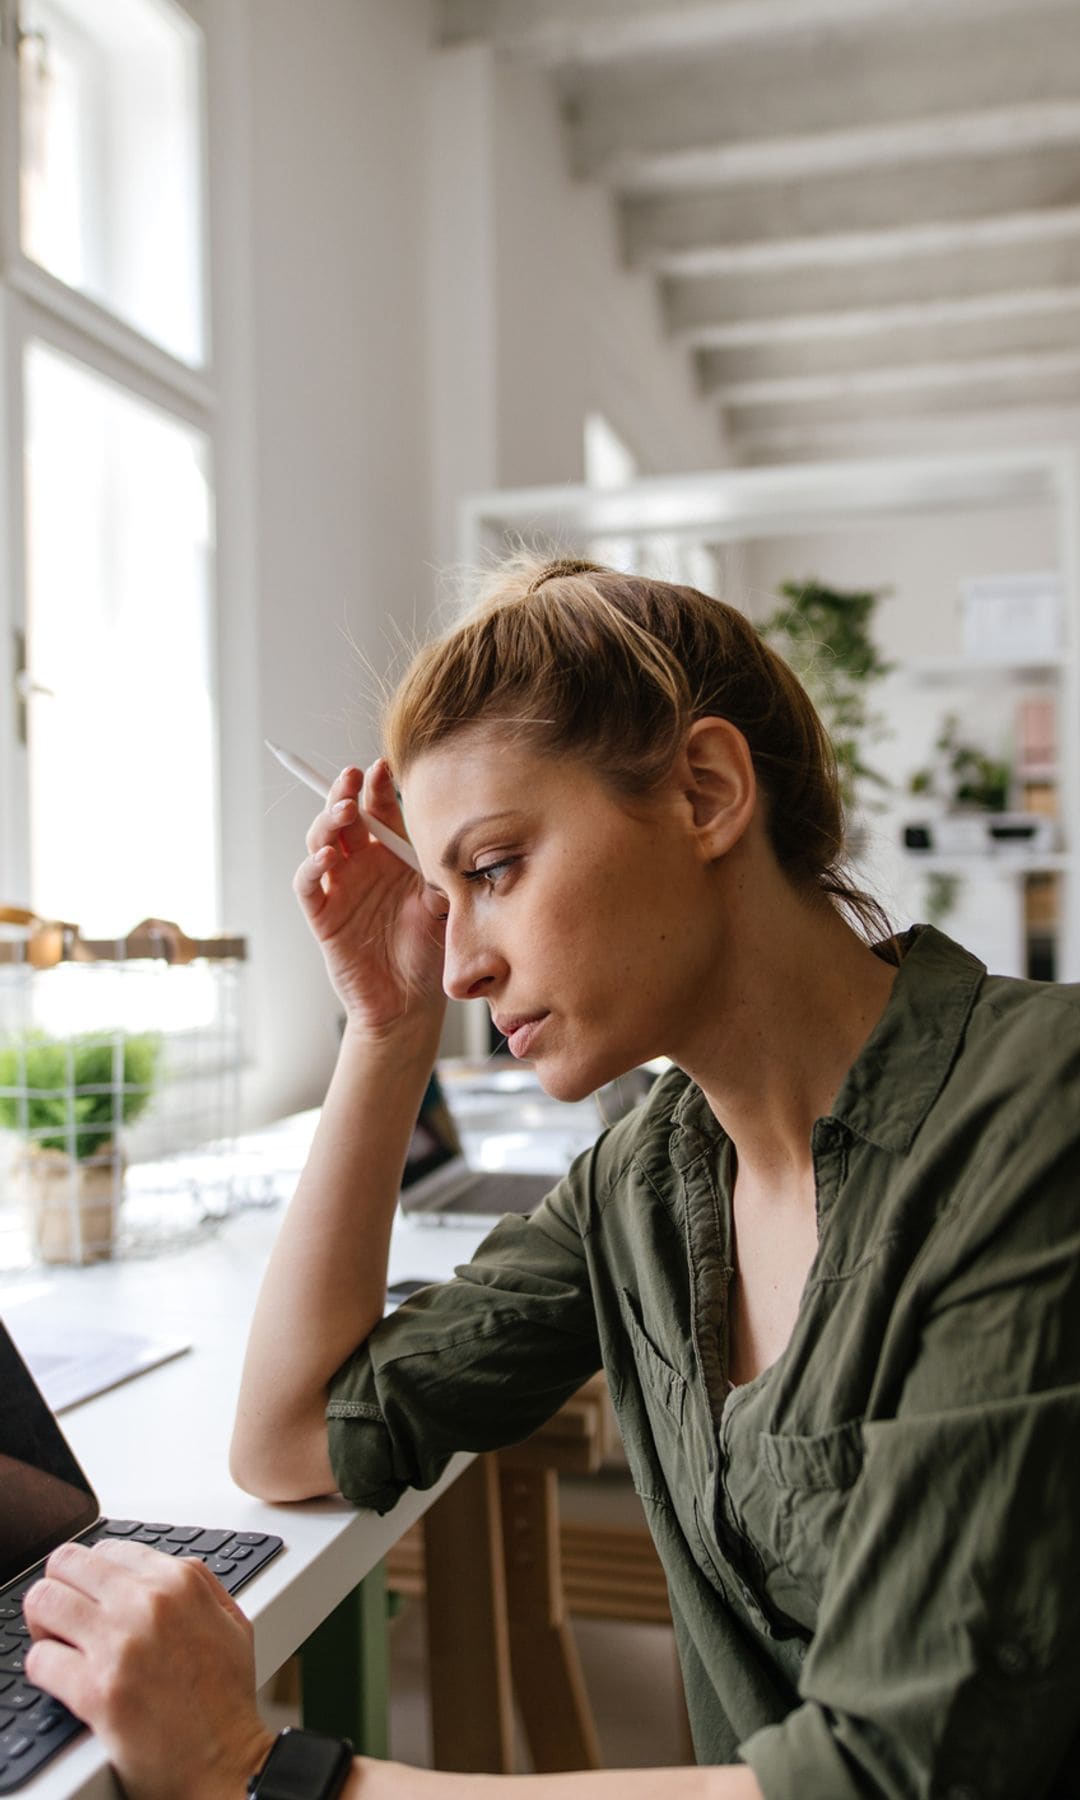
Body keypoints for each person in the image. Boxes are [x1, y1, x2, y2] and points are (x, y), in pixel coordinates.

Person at [24, 557, 1080, 1799]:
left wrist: (257, 1770)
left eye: (493, 868)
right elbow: (296, 1440)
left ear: (705, 791)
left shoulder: (1037, 1110)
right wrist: (386, 1028)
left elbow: (894, 1779)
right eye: (438, 893)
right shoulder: (649, 1180)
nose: (462, 961)